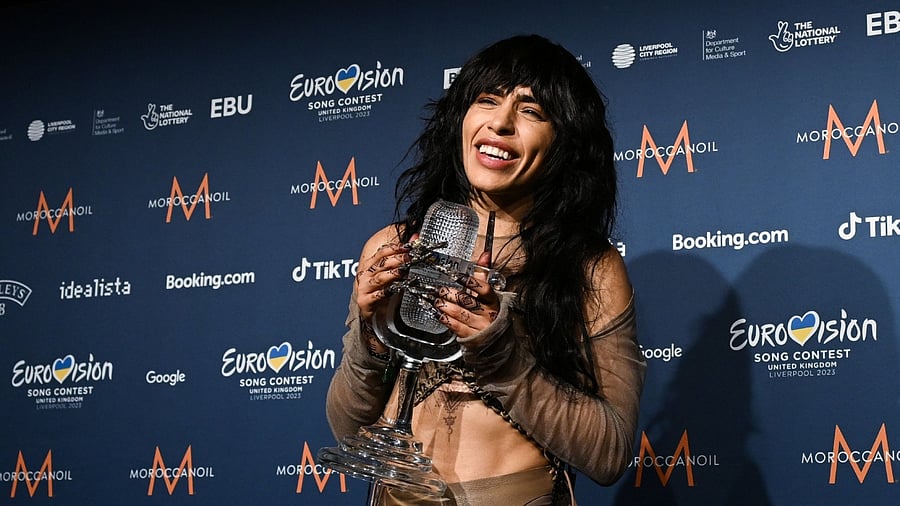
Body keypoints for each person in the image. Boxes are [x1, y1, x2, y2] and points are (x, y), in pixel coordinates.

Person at [325, 34, 646, 505]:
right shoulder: (395, 246)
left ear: (565, 140)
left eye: (531, 110)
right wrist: (371, 341)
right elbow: (348, 428)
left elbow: (610, 453)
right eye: (487, 100)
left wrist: (502, 355)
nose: (501, 123)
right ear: (461, 117)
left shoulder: (590, 268)